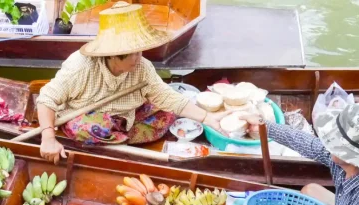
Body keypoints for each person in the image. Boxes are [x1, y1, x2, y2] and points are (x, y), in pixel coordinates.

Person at [36, 1, 228, 164]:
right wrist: (48, 137)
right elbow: (46, 99)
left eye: (140, 51)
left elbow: (166, 96)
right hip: (87, 116)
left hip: (127, 115)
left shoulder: (142, 67)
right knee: (93, 128)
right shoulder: (80, 66)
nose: (140, 57)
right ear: (114, 56)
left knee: (167, 114)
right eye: (134, 54)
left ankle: (119, 140)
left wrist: (206, 118)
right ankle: (117, 143)